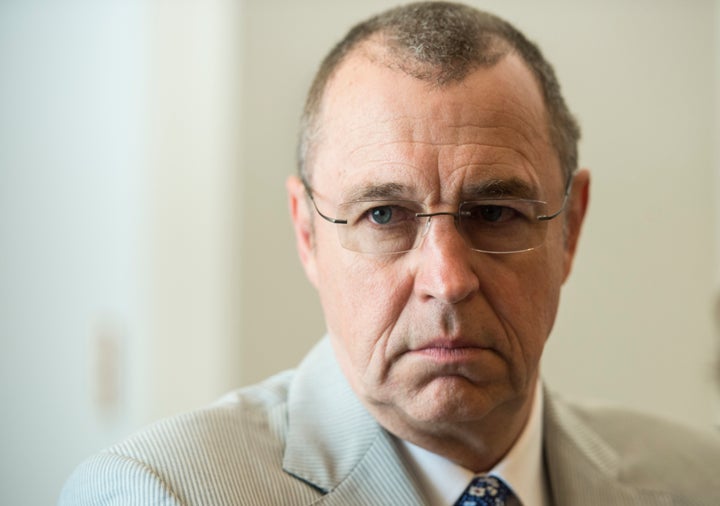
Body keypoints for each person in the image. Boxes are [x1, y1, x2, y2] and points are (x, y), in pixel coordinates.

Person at [60, 2, 720, 505]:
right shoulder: (158, 492)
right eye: (384, 215)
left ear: (569, 227)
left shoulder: (696, 480)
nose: (448, 280)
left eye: (493, 213)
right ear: (307, 233)